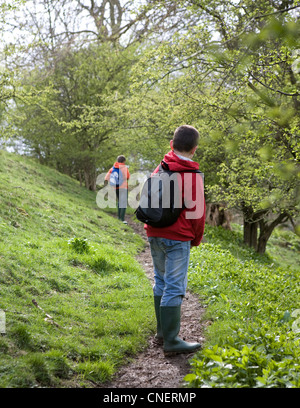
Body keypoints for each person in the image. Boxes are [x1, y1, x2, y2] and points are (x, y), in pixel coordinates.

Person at [146, 125, 206, 356]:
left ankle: (162, 332)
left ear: (172, 145)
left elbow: (150, 201)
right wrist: (195, 239)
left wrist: (148, 228)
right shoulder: (192, 176)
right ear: (194, 149)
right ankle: (171, 341)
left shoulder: (159, 168)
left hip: (154, 234)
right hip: (178, 238)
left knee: (160, 281)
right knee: (174, 286)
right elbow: (197, 215)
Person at [105, 155, 130, 223]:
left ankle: (119, 218)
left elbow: (106, 177)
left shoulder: (112, 168)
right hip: (124, 187)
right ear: (124, 161)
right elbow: (128, 177)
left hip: (116, 187)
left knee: (119, 202)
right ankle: (122, 219)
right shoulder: (124, 168)